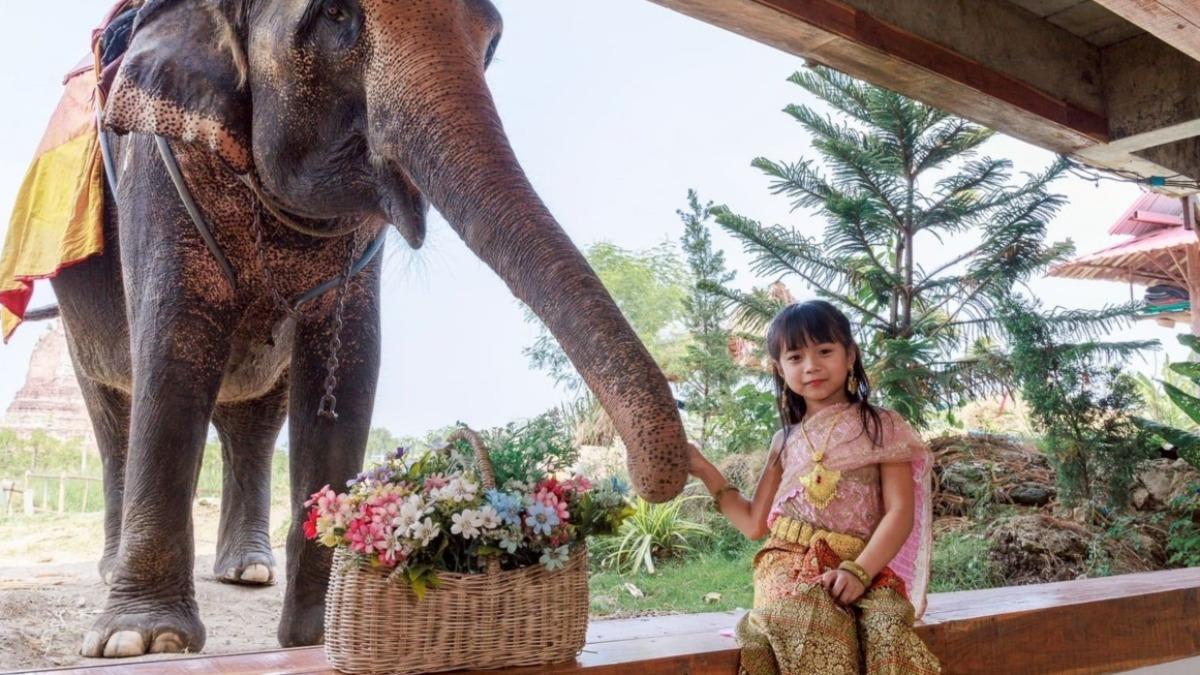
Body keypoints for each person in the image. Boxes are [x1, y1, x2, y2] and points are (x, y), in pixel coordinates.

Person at [688, 300, 940, 674]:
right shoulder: (784, 440)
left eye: (824, 351)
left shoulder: (882, 426)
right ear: (779, 368)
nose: (811, 366)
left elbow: (900, 512)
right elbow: (755, 524)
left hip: (862, 564)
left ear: (849, 355)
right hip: (788, 563)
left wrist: (858, 572)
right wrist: (705, 469)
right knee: (810, 617)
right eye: (795, 357)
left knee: (888, 624)